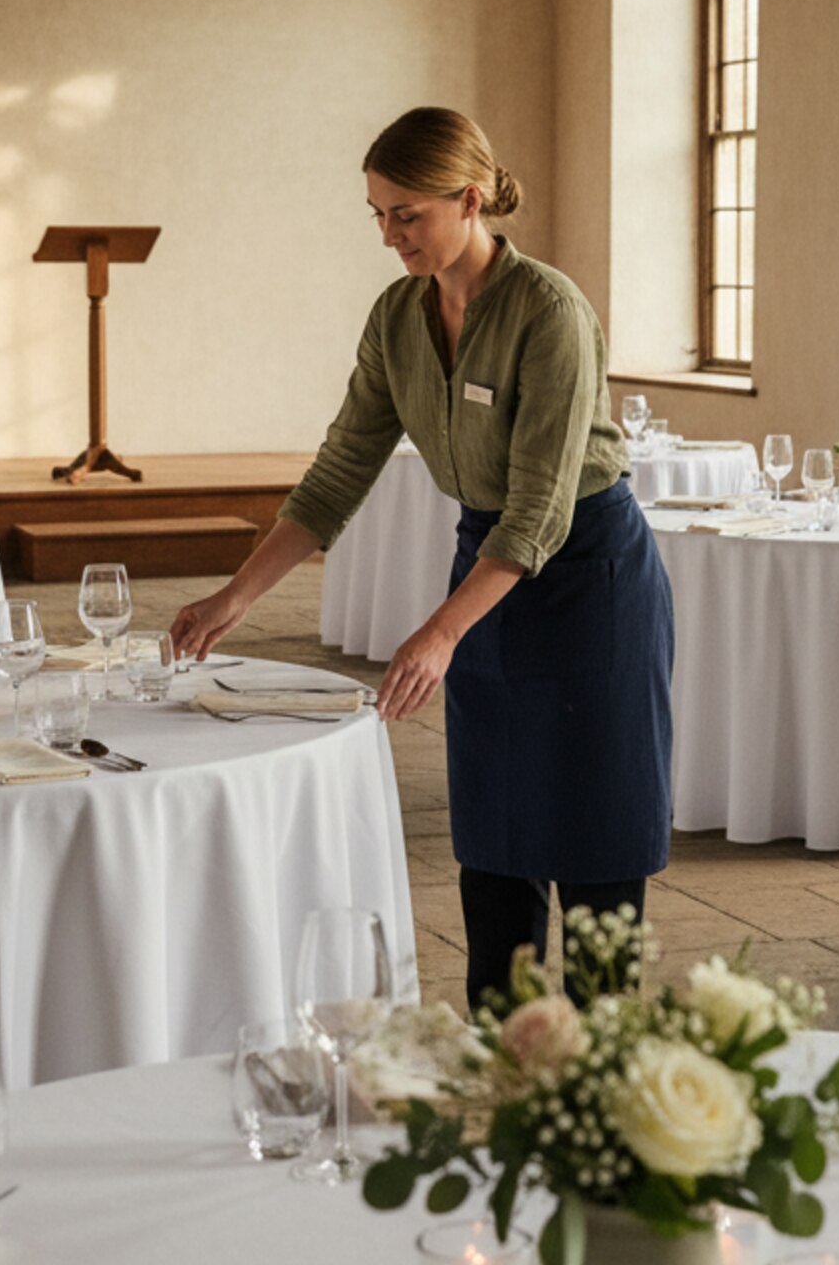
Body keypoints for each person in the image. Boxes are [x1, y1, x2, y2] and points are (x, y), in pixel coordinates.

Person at [171, 107, 674, 1006]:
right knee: (495, 850)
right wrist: (235, 597)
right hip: (486, 565)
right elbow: (337, 474)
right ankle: (498, 1065)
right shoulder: (398, 316)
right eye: (377, 213)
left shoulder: (550, 311)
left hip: (588, 581)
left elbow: (538, 515)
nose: (389, 234)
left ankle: (606, 1085)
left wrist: (439, 635)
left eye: (406, 213)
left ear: (470, 200)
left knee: (597, 859)